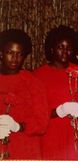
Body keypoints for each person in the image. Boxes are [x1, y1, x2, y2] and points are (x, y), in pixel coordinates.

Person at [33, 25, 78, 160]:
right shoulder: (39, 75)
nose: (65, 51)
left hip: (76, 133)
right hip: (52, 134)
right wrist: (58, 111)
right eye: (60, 47)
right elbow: (35, 112)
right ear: (52, 49)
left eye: (69, 48)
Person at [0, 29, 48, 159]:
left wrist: (18, 126)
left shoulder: (33, 83)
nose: (14, 58)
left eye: (19, 54)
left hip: (25, 148)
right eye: (10, 52)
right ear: (1, 53)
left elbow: (42, 122)